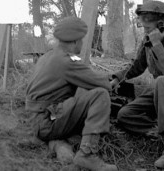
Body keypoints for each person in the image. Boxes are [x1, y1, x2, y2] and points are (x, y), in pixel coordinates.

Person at [110, 0, 164, 169]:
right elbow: (137, 66)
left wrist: (157, 44)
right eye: (144, 27)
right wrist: (116, 78)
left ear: (161, 24)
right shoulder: (147, 40)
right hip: (160, 90)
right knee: (125, 115)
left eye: (148, 27)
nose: (145, 31)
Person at [25, 16, 117, 171]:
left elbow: (84, 77)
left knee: (83, 91)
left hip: (40, 118)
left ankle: (59, 143)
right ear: (75, 41)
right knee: (100, 95)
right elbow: (103, 84)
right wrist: (115, 79)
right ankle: (87, 154)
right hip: (47, 122)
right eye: (81, 40)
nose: (82, 43)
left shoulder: (49, 56)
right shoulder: (66, 62)